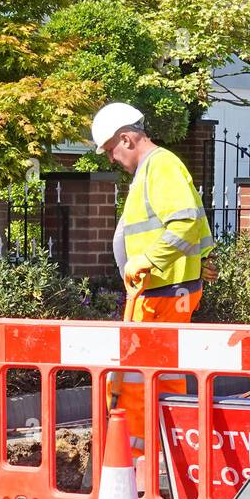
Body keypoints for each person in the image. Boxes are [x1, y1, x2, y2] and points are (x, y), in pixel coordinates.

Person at [92, 102, 216, 452]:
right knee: (153, 380)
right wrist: (197, 263)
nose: (111, 159)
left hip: (161, 296)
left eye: (110, 150)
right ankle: (154, 456)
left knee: (137, 382)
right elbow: (194, 228)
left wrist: (148, 260)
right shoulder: (153, 170)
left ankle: (140, 462)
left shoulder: (160, 165)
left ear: (127, 139)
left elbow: (186, 223)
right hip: (160, 293)